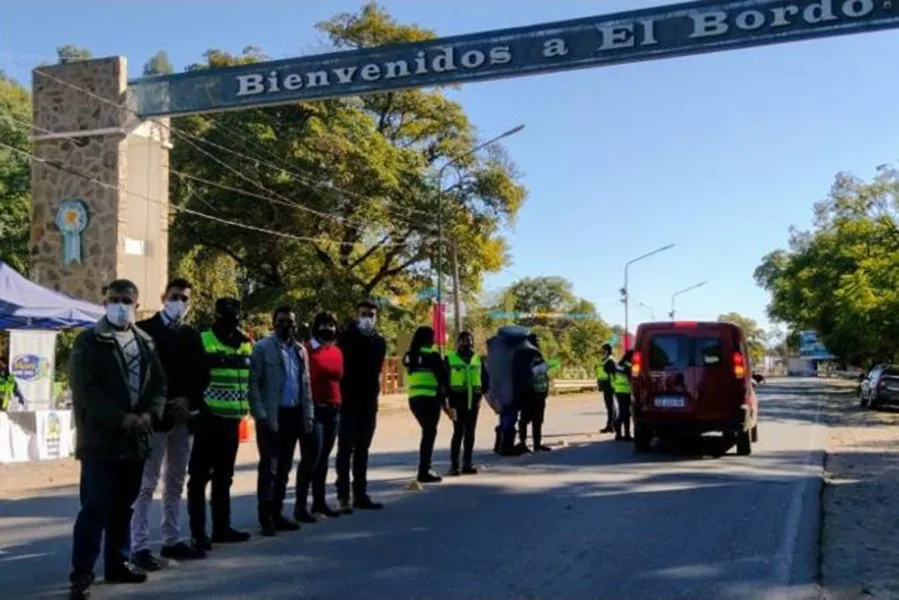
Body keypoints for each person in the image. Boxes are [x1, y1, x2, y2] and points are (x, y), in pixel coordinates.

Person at [66, 279, 166, 599]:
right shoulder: (89, 341)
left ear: (136, 305)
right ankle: (82, 573)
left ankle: (118, 562)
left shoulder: (146, 343)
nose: (121, 305)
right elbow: (85, 390)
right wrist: (119, 417)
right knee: (94, 508)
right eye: (115, 299)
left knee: (124, 506)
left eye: (127, 300)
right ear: (104, 301)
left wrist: (151, 414)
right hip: (100, 440)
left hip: (135, 439)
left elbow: (159, 386)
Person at [130, 278, 210, 572]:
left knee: (175, 482)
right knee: (146, 484)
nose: (180, 303)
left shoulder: (191, 335)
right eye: (175, 296)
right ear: (164, 297)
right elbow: (143, 377)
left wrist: (188, 401)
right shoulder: (146, 332)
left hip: (184, 419)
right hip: (155, 419)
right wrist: (161, 406)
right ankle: (138, 546)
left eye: (185, 298)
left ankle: (171, 538)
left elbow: (203, 374)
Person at [187, 298, 253, 549]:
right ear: (215, 316)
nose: (231, 322)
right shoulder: (203, 341)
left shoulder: (244, 345)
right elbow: (192, 378)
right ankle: (198, 533)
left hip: (232, 420)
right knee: (199, 477)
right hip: (207, 418)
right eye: (226, 317)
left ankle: (221, 527)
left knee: (224, 477)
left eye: (235, 317)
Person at [248, 306, 314, 536]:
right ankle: (265, 517)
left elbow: (305, 385)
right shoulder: (262, 348)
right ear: (274, 323)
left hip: (293, 413)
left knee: (284, 467)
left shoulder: (299, 350)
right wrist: (260, 413)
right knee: (270, 468)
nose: (286, 325)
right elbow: (253, 383)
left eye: (290, 322)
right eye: (282, 321)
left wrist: (308, 414)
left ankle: (277, 513)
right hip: (271, 415)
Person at [335, 299, 387, 512]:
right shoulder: (346, 337)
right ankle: (343, 495)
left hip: (368, 401)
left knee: (363, 449)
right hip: (348, 400)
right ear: (357, 315)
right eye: (364, 314)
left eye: (371, 315)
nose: (368, 318)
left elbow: (377, 369)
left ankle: (360, 493)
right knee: (345, 449)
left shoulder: (379, 342)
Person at [297, 311, 343, 520]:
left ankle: (319, 501)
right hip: (314, 408)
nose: (328, 328)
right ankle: (300, 505)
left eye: (331, 325)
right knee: (311, 457)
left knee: (324, 457)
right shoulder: (307, 350)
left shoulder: (336, 351)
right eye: (323, 324)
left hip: (333, 409)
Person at [404, 326, 449, 483]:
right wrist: (445, 402)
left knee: (427, 431)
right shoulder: (433, 356)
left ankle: (425, 468)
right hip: (430, 398)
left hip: (414, 399)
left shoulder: (409, 356)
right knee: (429, 433)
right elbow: (442, 379)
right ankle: (424, 470)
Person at [445, 331, 489, 475]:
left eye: (469, 341)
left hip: (473, 403)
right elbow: (444, 382)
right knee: (458, 433)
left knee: (470, 434)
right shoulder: (450, 359)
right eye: (464, 341)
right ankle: (454, 466)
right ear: (458, 342)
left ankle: (467, 464)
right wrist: (447, 403)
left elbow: (485, 380)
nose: (467, 343)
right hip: (457, 403)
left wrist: (480, 394)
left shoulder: (478, 359)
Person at [515, 333, 552, 453]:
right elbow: (523, 373)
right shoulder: (524, 355)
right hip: (528, 393)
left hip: (540, 393)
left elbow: (544, 372)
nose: (537, 343)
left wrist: (546, 389)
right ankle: (523, 443)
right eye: (535, 341)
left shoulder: (539, 355)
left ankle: (537, 444)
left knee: (538, 420)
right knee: (525, 419)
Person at [596, 343, 618, 434]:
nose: (601, 352)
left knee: (610, 407)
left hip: (610, 386)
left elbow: (614, 374)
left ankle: (611, 426)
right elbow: (601, 374)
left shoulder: (610, 361)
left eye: (603, 350)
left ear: (607, 350)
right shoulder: (604, 360)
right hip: (605, 386)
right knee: (610, 406)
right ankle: (612, 425)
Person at [613, 351, 634, 441]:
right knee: (626, 414)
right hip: (625, 391)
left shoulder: (618, 365)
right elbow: (633, 379)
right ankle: (627, 435)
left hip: (618, 390)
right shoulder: (628, 366)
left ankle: (618, 434)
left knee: (621, 413)